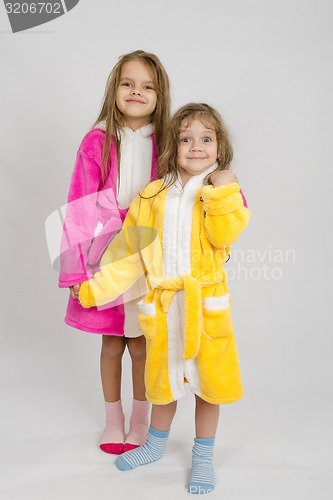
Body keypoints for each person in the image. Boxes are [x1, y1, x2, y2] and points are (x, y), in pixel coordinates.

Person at [78, 103, 251, 494]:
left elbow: (226, 236)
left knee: (208, 386)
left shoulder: (221, 193)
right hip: (164, 305)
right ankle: (155, 445)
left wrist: (224, 187)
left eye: (207, 139)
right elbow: (129, 254)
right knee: (164, 382)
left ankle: (203, 457)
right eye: (186, 139)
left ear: (220, 148)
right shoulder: (152, 194)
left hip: (205, 306)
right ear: (172, 147)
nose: (196, 147)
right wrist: (95, 288)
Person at [58, 50, 171, 455]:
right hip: (104, 256)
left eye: (147, 86)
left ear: (160, 95)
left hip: (148, 254)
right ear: (114, 89)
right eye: (128, 83)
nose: (136, 91)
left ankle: (141, 421)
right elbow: (79, 205)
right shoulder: (96, 141)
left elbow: (198, 182)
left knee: (142, 344)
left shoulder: (171, 140)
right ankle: (113, 420)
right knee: (111, 343)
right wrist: (75, 272)